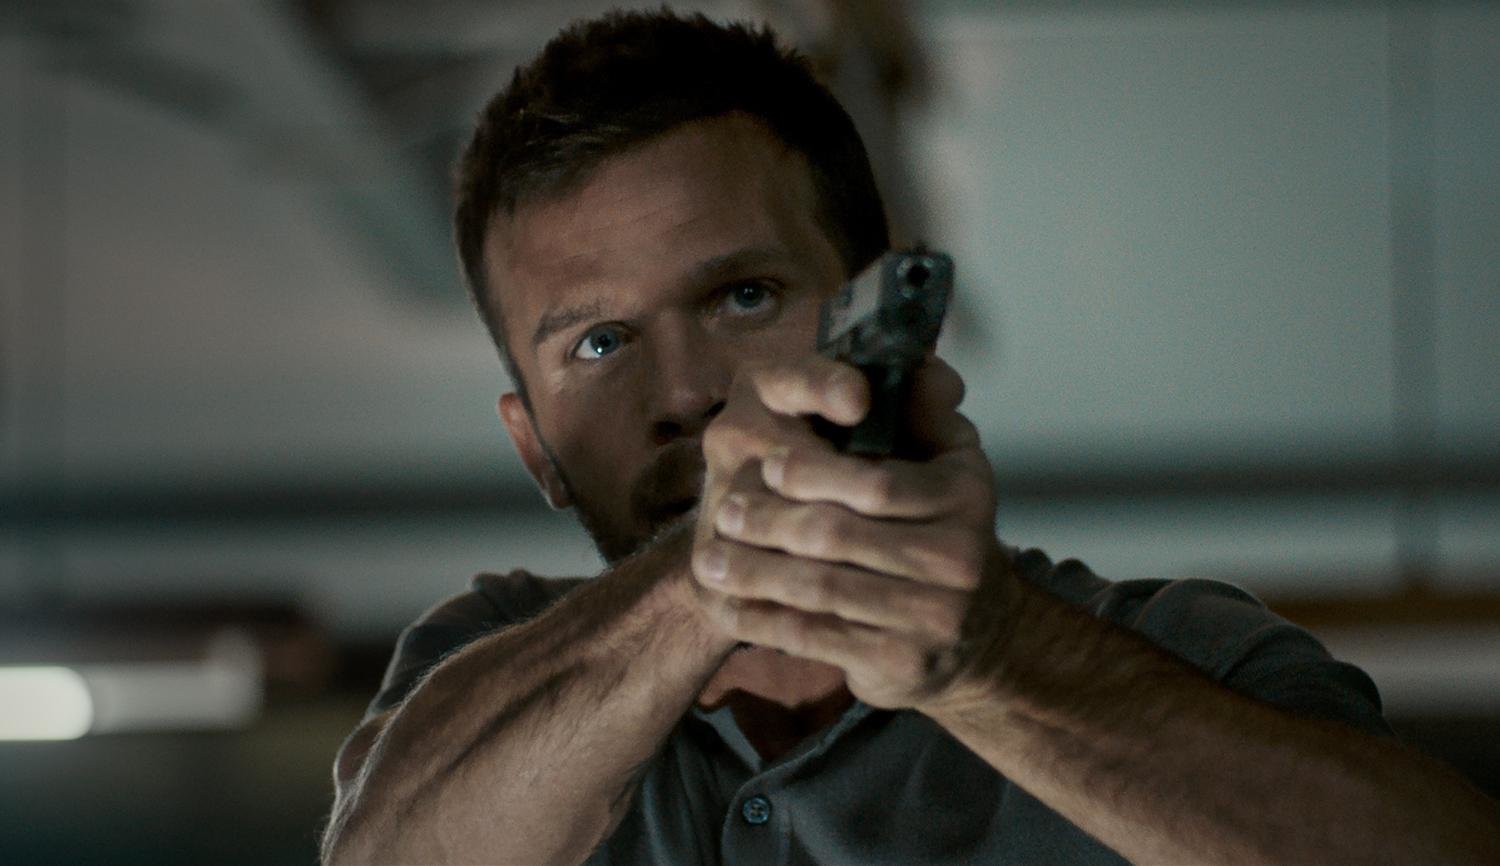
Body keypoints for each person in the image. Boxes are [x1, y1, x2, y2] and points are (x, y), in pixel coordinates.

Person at [320, 10, 1500, 865]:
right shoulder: (485, 664)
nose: (683, 391)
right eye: (597, 343)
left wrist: (997, 658)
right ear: (534, 447)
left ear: (879, 313)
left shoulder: (1182, 652)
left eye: (742, 296)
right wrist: (712, 574)